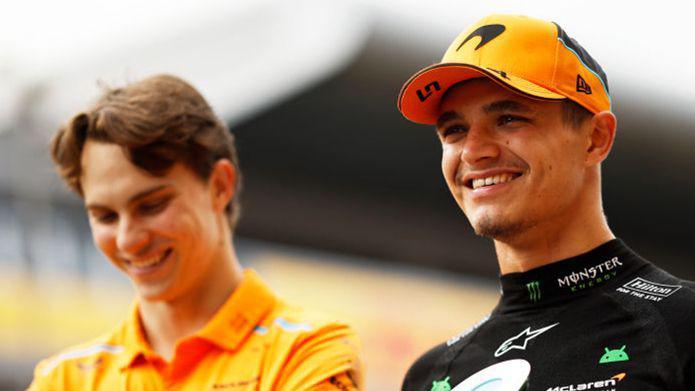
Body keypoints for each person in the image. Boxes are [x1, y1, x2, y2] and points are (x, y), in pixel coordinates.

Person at [397, 14, 695, 391]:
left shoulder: (682, 326)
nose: (473, 151)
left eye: (508, 119)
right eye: (454, 130)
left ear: (595, 139)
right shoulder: (430, 375)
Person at [30, 75, 363, 390]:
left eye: (152, 206)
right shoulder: (63, 378)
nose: (128, 239)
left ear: (219, 186)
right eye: (105, 216)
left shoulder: (309, 350)